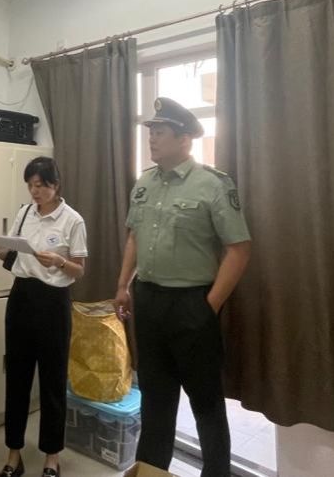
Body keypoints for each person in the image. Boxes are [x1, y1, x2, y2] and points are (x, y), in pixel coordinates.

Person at [114, 98, 252, 477]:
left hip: (192, 303)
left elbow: (239, 249)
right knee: (155, 401)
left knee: (206, 404)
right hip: (149, 301)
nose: (152, 139)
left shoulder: (213, 185)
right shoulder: (144, 183)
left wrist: (209, 306)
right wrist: (123, 285)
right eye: (151, 132)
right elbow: (134, 237)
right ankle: (151, 472)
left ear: (185, 139)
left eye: (160, 132)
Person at [0, 156, 87, 477]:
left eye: (40, 185)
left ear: (56, 184)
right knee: (17, 378)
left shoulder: (72, 220)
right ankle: (14, 454)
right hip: (21, 298)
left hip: (54, 302)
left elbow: (80, 270)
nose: (35, 191)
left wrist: (59, 262)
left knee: (53, 381)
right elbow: (13, 253)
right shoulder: (25, 213)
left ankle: (52, 458)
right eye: (30, 185)